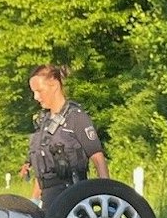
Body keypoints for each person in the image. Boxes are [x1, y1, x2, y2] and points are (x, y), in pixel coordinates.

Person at [21, 64, 106, 207]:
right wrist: (34, 202)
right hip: (48, 201)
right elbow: (43, 171)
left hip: (72, 199)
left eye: (39, 91)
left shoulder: (76, 118)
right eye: (34, 92)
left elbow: (98, 158)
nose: (36, 97)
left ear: (54, 85)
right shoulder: (43, 122)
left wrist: (106, 195)